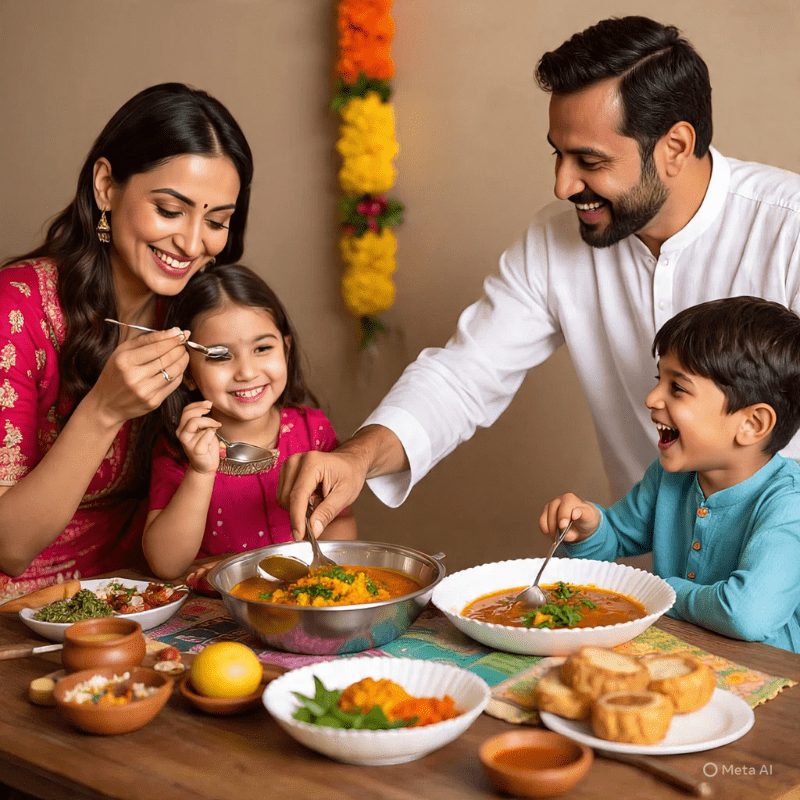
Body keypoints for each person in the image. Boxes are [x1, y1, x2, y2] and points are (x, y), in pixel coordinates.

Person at [278, 15, 800, 543]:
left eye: (589, 160)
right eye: (558, 153)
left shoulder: (790, 229)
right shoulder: (554, 240)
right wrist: (357, 458)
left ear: (676, 147)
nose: (562, 184)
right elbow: (464, 376)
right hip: (642, 575)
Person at [0, 83, 253, 602]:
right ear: (105, 187)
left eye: (217, 221)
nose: (192, 243)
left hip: (146, 596)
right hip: (19, 607)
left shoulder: (193, 316)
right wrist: (104, 410)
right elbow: (8, 547)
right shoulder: (18, 308)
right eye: (170, 210)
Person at [539, 296, 800, 652]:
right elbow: (615, 538)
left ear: (752, 424)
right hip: (684, 655)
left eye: (677, 387)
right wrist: (590, 527)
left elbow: (747, 614)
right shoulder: (670, 477)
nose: (651, 398)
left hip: (772, 673)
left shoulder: (789, 505)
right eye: (658, 380)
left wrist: (660, 592)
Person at [143, 263, 356, 580]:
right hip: (217, 605)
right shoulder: (180, 449)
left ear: (286, 349)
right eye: (219, 355)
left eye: (262, 348)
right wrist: (201, 471)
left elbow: (340, 523)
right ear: (187, 372)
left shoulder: (313, 430)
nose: (246, 372)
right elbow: (166, 564)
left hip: (299, 596)